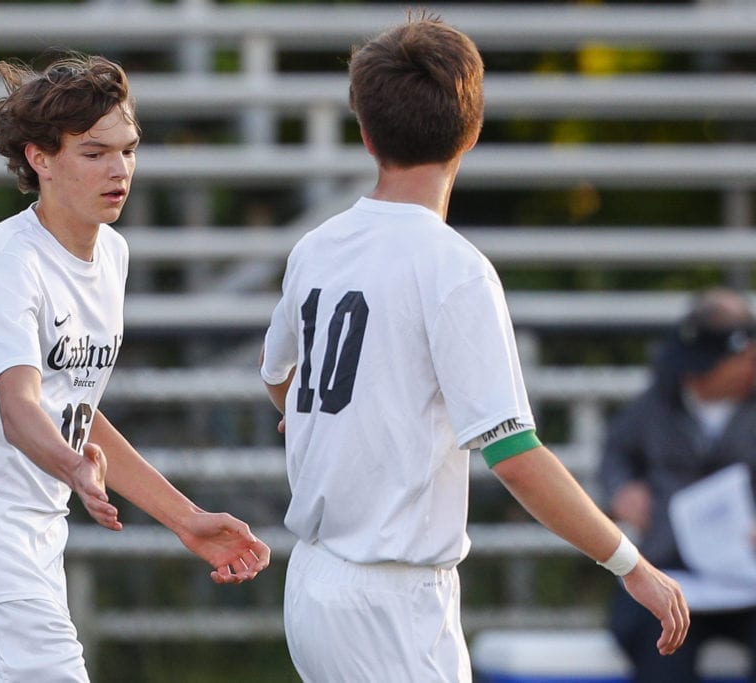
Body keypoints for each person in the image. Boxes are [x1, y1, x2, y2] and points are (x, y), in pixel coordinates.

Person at [258, 14, 689, 682]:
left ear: (366, 136)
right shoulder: (454, 268)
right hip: (392, 597)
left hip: (313, 580)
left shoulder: (316, 247)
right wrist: (631, 564)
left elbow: (280, 378)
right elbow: (514, 455)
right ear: (473, 130)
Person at [0, 54, 271, 683]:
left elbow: (74, 410)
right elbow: (21, 411)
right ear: (39, 158)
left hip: (32, 549)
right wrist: (73, 466)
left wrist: (185, 518)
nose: (120, 169)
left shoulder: (112, 256)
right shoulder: (5, 265)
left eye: (128, 150)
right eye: (95, 152)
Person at [601, 287, 756, 683]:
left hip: (749, 574)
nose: (692, 374)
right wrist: (622, 491)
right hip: (669, 570)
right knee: (655, 643)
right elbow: (615, 456)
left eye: (706, 364)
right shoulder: (655, 403)